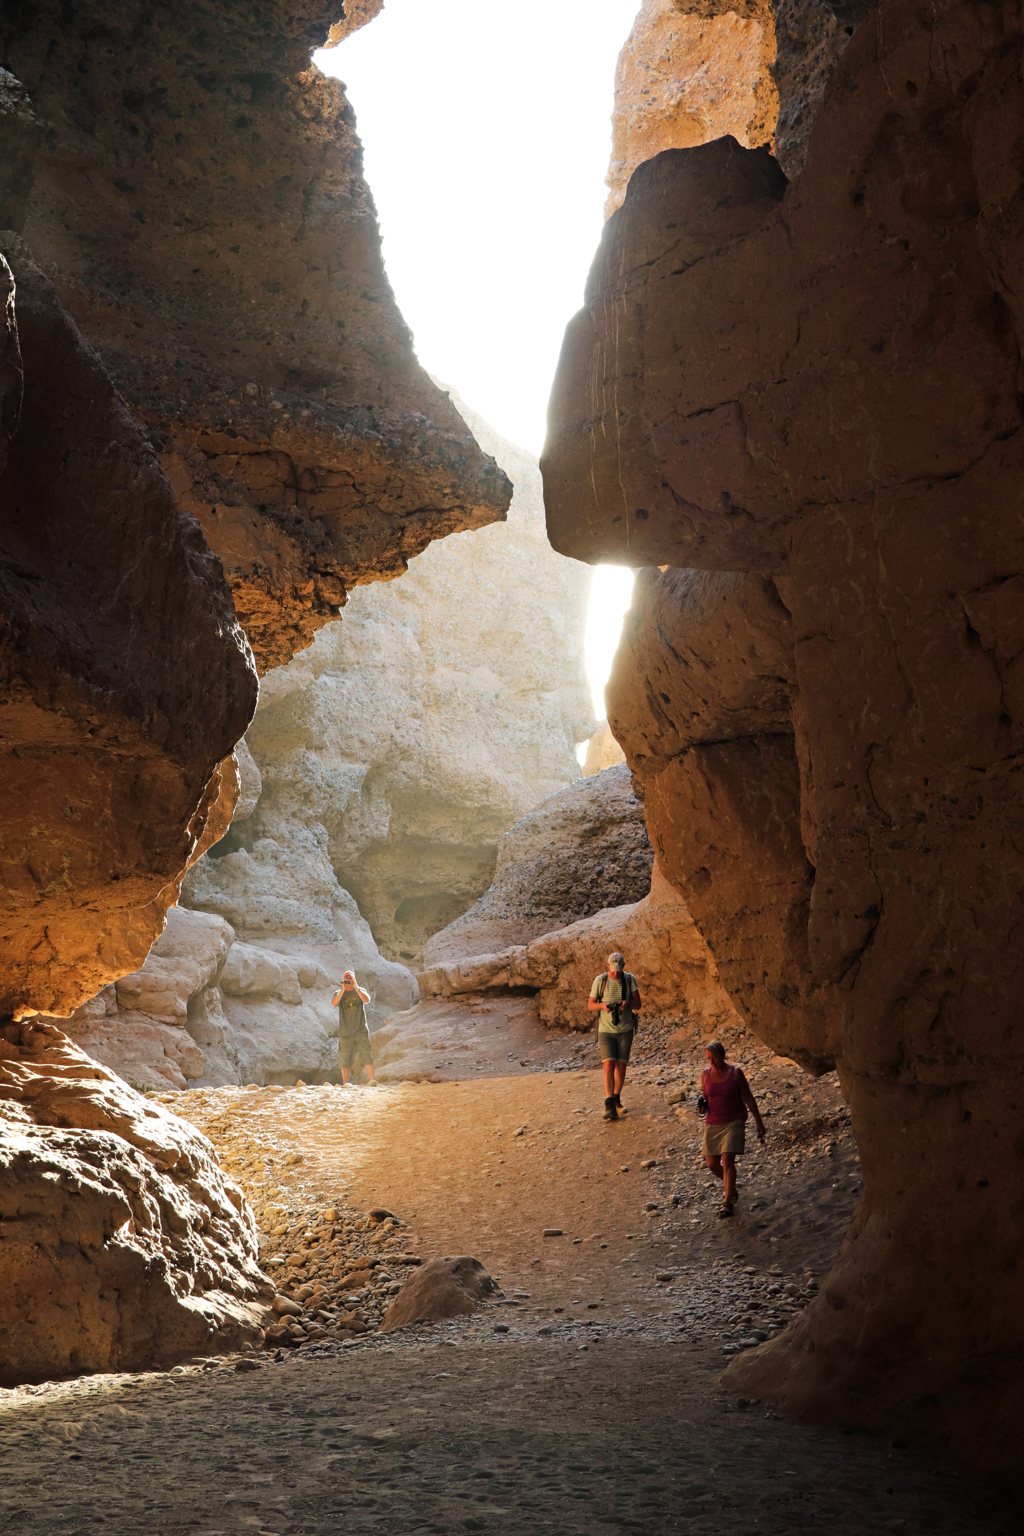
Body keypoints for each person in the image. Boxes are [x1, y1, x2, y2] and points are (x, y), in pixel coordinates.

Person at [700, 1039, 765, 1217]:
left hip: (733, 1120)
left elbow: (749, 1098)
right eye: (708, 1059)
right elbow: (705, 1097)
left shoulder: (735, 1073)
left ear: (722, 1055)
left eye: (714, 1058)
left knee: (727, 1158)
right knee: (711, 1164)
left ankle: (727, 1202)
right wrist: (701, 1106)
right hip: (713, 1122)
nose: (712, 1062)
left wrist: (759, 1122)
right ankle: (731, 1186)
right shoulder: (706, 1074)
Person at [588, 951, 642, 1121]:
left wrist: (627, 1004)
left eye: (618, 970)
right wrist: (603, 1006)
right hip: (605, 1030)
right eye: (613, 970)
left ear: (623, 967)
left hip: (625, 1030)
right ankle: (609, 1102)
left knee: (621, 1066)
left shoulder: (629, 979)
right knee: (608, 1065)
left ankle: (617, 1097)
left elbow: (638, 1004)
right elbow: (590, 1005)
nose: (616, 973)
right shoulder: (600, 981)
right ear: (607, 966)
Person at [331, 971, 378, 1087]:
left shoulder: (359, 990)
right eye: (346, 978)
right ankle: (346, 1083)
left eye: (350, 978)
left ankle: (372, 1081)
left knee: (366, 1054)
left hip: (360, 1030)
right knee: (344, 1058)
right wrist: (343, 989)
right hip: (345, 1031)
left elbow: (366, 1000)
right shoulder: (338, 993)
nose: (348, 980)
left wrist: (355, 987)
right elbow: (334, 1003)